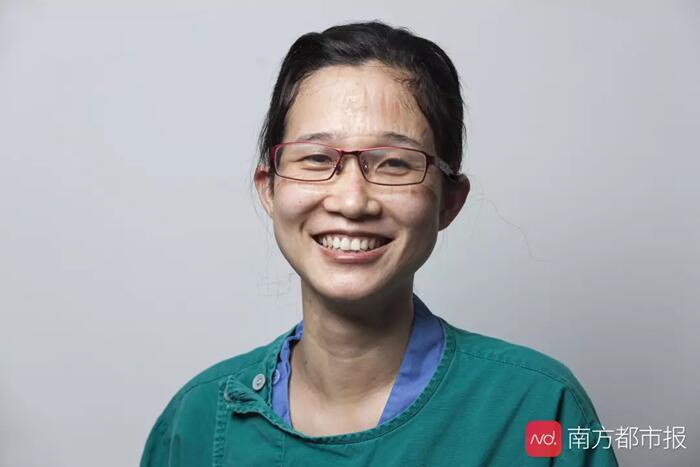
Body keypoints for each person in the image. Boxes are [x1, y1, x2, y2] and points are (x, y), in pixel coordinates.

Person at [141, 21, 619, 466]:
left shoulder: (538, 410)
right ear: (269, 188)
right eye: (316, 158)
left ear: (449, 201)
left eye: (393, 163)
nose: (352, 201)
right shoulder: (197, 421)